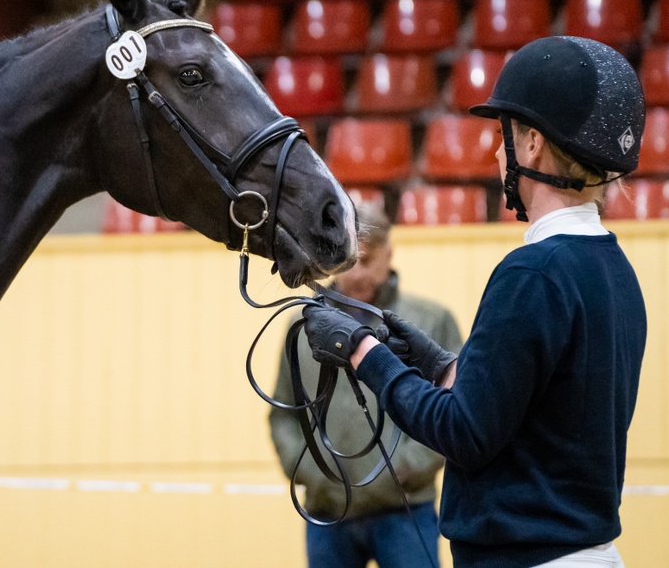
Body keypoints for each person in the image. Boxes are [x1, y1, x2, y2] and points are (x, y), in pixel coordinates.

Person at [302, 36, 647, 568]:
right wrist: (438, 363)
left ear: (532, 144)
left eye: (502, 137)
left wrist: (361, 351)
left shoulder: (533, 272)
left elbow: (462, 433)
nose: (495, 152)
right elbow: (524, 411)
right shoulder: (613, 267)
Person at [269, 202, 462, 568]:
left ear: (390, 252)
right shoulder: (301, 328)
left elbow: (455, 407)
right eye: (348, 259)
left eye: (368, 259)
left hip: (406, 510)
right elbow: (283, 412)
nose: (357, 273)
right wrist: (310, 471)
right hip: (327, 512)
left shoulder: (430, 320)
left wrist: (404, 469)